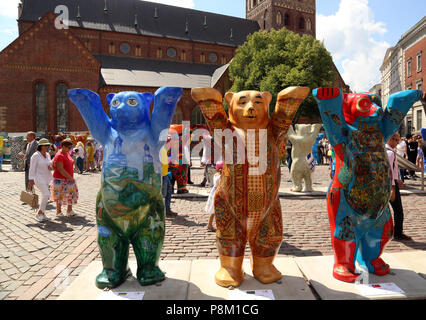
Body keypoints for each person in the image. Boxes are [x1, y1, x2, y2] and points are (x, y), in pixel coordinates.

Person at [386, 133, 412, 241]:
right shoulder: (390, 153)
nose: (397, 143)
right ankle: (398, 233)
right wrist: (393, 188)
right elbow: (389, 172)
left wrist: (399, 179)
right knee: (398, 210)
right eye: (396, 140)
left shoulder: (385, 151)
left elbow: (393, 168)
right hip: (390, 184)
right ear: (390, 139)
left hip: (388, 183)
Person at [52, 139, 79, 218]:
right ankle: (58, 212)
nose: (70, 149)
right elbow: (60, 169)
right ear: (63, 146)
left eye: (70, 148)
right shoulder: (59, 155)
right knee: (60, 196)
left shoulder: (66, 153)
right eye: (68, 147)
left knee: (71, 194)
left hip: (68, 178)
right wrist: (70, 177)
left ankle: (69, 210)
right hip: (60, 179)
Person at [28, 139, 53, 222]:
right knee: (46, 194)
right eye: (45, 145)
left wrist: (50, 167)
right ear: (40, 146)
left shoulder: (48, 154)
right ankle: (39, 212)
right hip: (38, 178)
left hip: (47, 178)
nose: (47, 147)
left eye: (48, 145)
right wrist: (31, 179)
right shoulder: (35, 155)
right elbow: (32, 168)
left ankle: (42, 213)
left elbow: (49, 164)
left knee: (45, 196)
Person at [205, 161, 223, 232]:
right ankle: (214, 225)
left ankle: (210, 224)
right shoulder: (221, 176)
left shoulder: (215, 174)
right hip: (218, 192)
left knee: (213, 210)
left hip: (214, 191)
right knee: (217, 209)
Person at [161, 145, 177, 217]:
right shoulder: (158, 148)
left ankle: (167, 210)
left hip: (165, 173)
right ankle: (161, 211)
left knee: (169, 192)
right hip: (161, 175)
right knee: (163, 194)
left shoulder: (163, 148)